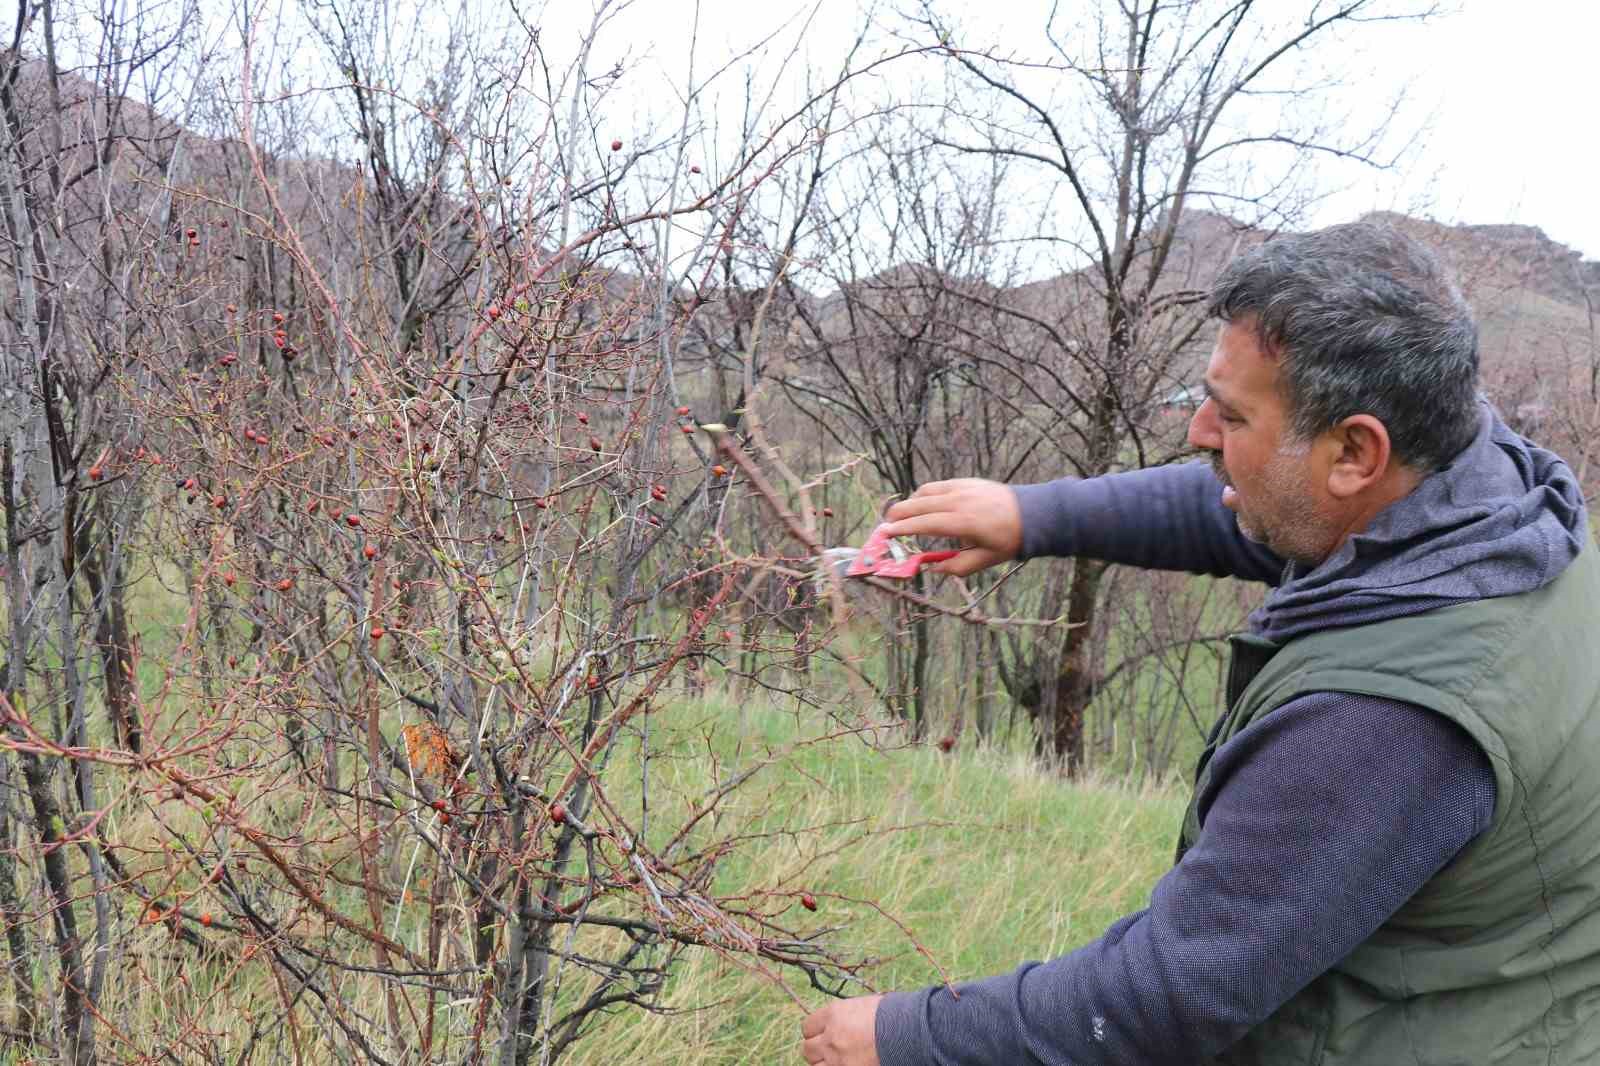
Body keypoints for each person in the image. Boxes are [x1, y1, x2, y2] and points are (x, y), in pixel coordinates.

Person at [800, 221, 1600, 1065]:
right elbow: (1257, 507)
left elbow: (1171, 994)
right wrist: (1030, 515)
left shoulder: (1386, 719)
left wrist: (910, 1037)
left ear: (1356, 451)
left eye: (1233, 416)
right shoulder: (1493, 500)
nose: (1199, 432)